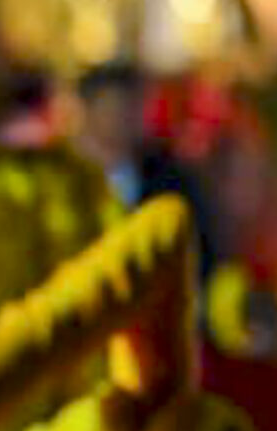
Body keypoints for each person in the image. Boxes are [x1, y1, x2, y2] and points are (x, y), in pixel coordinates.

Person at [74, 61, 219, 283]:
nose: (126, 118)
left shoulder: (169, 177)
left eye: (135, 106)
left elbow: (199, 249)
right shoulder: (61, 180)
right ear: (89, 109)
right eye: (116, 107)